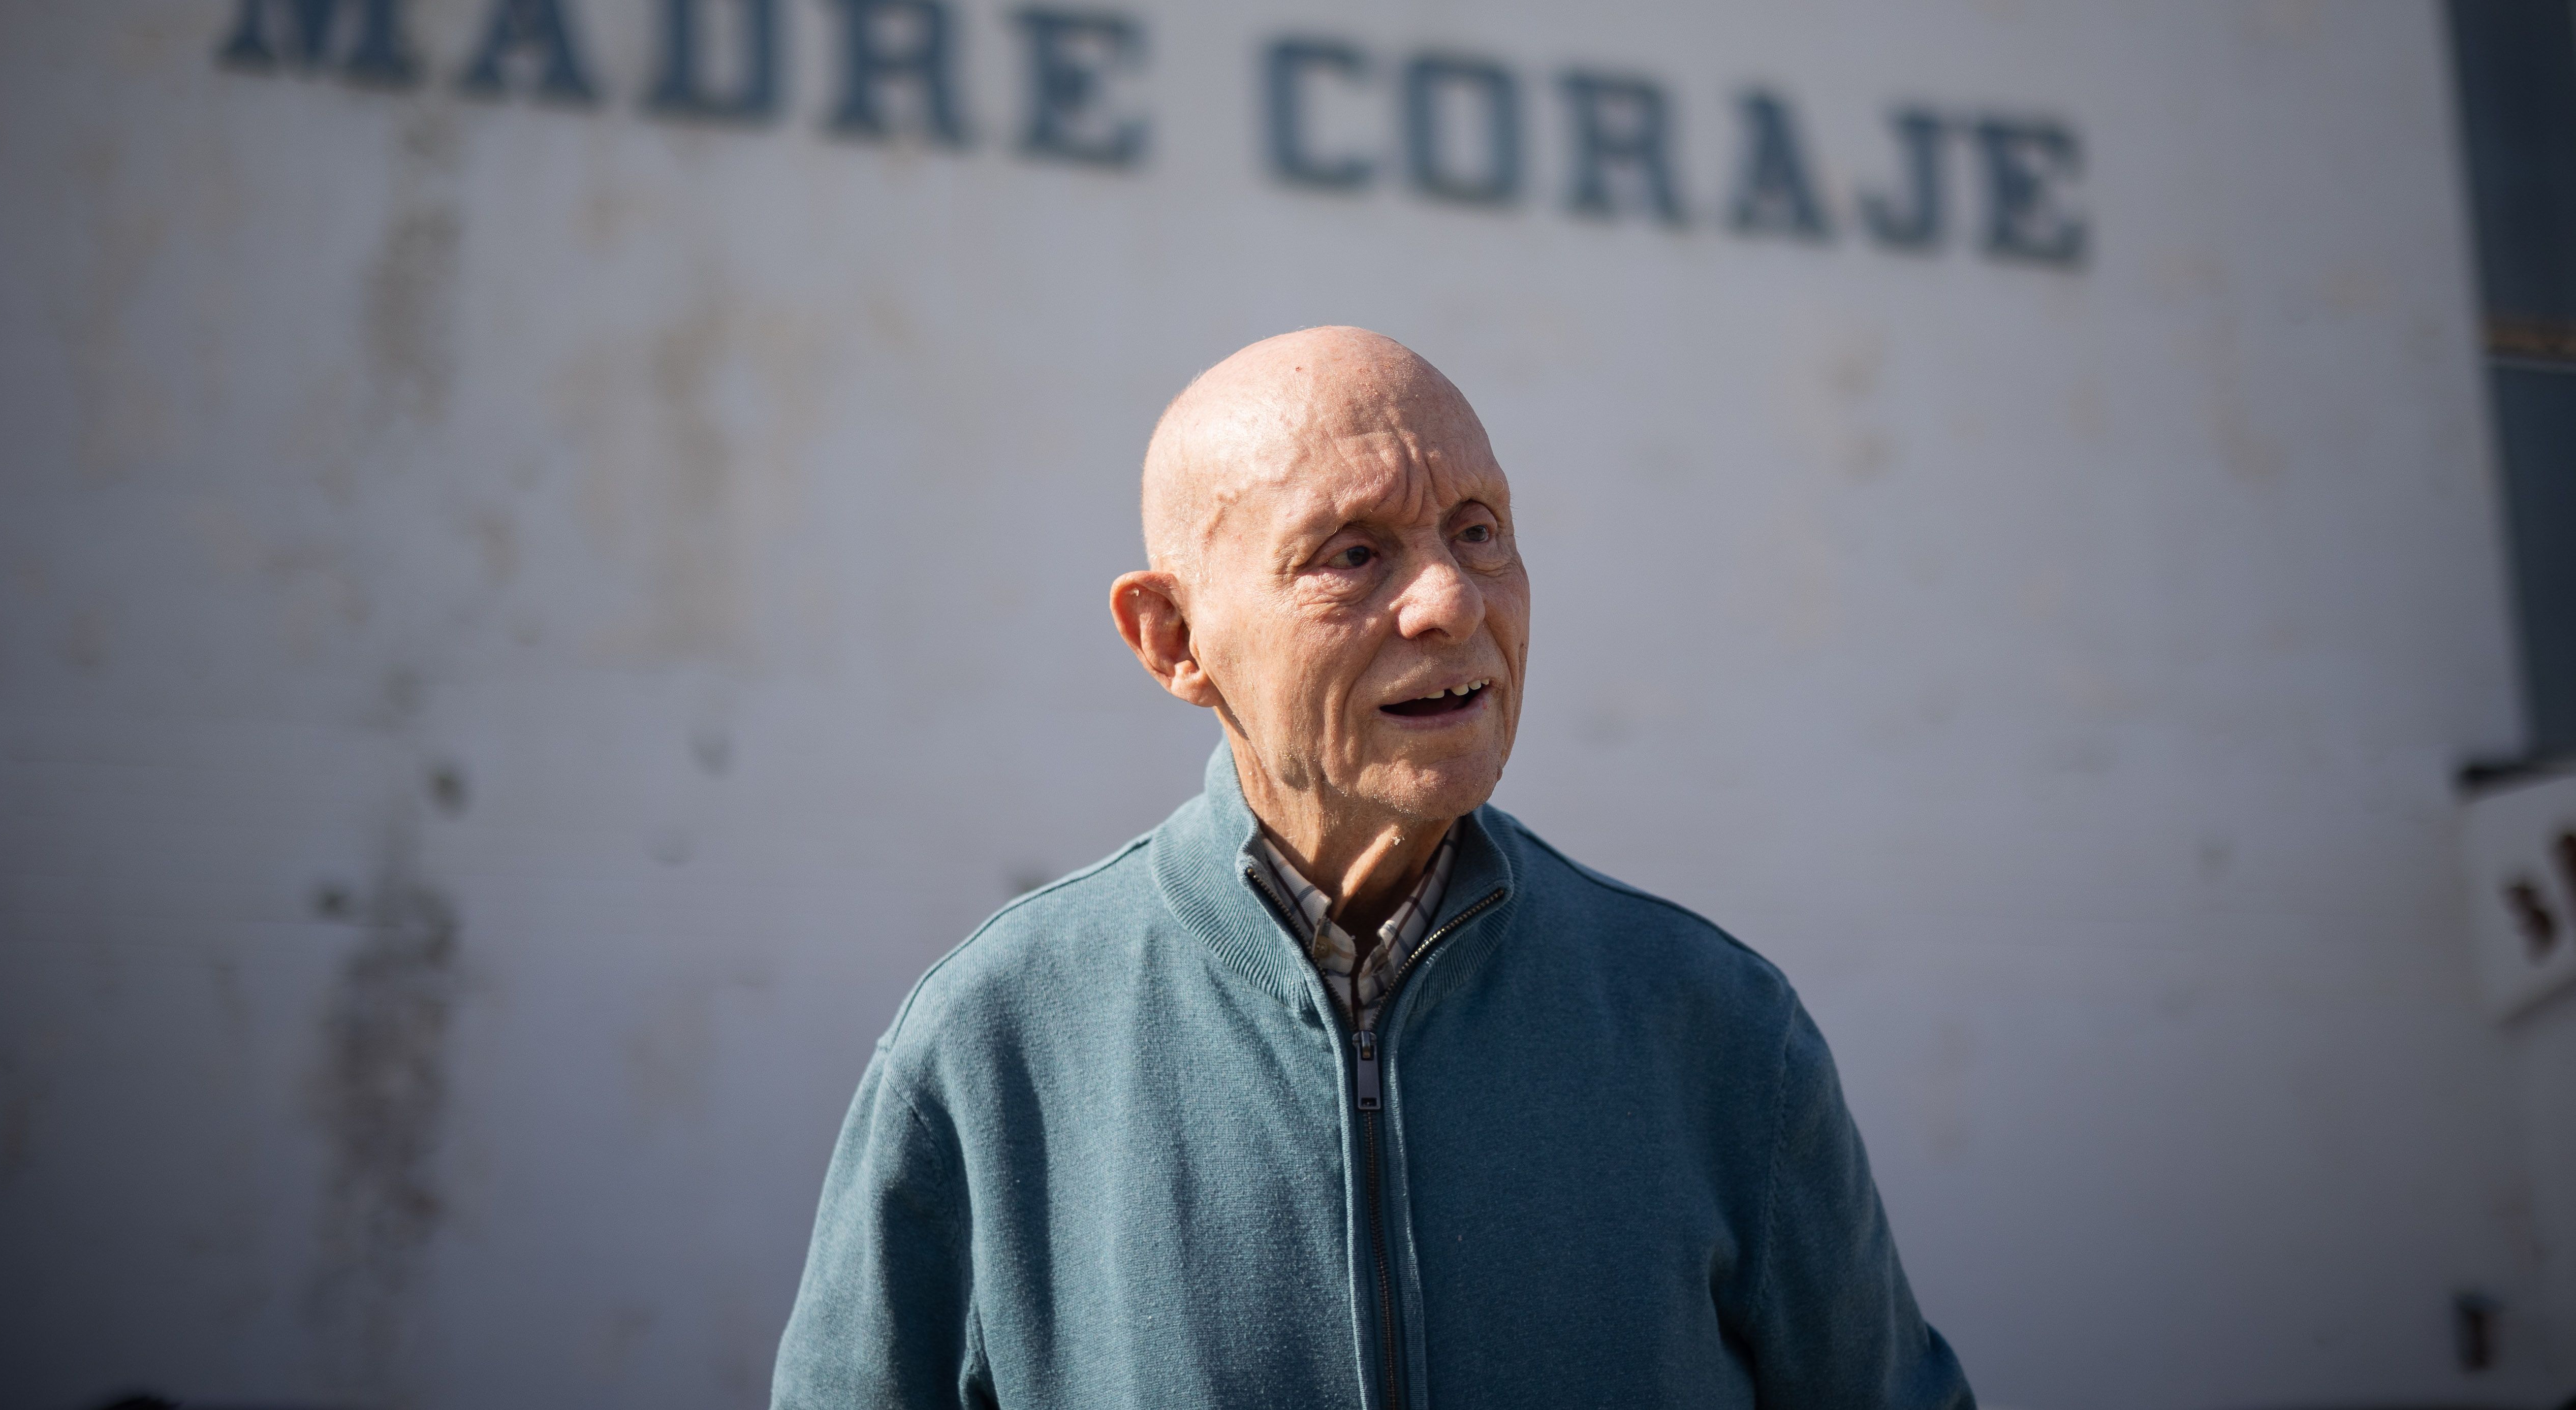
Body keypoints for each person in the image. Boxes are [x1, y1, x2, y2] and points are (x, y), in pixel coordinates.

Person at [772, 326, 1973, 1409]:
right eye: (1352, 554)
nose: (1452, 601)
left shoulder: (1714, 1029)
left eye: (1478, 531)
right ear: (1174, 640)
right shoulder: (992, 1047)